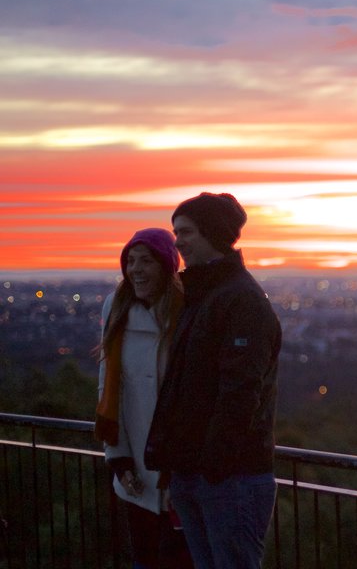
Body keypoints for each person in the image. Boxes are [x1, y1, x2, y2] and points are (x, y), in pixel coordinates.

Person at [144, 192, 281, 569]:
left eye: (185, 231)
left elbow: (240, 391)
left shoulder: (240, 300)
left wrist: (213, 466)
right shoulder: (206, 296)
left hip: (229, 477)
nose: (178, 241)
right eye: (176, 232)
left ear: (212, 233)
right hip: (203, 472)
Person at [95, 228, 192, 569]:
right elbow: (109, 386)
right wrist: (118, 459)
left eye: (146, 260)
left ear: (167, 265)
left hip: (181, 470)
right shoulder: (116, 307)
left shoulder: (188, 310)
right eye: (130, 261)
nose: (135, 268)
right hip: (135, 470)